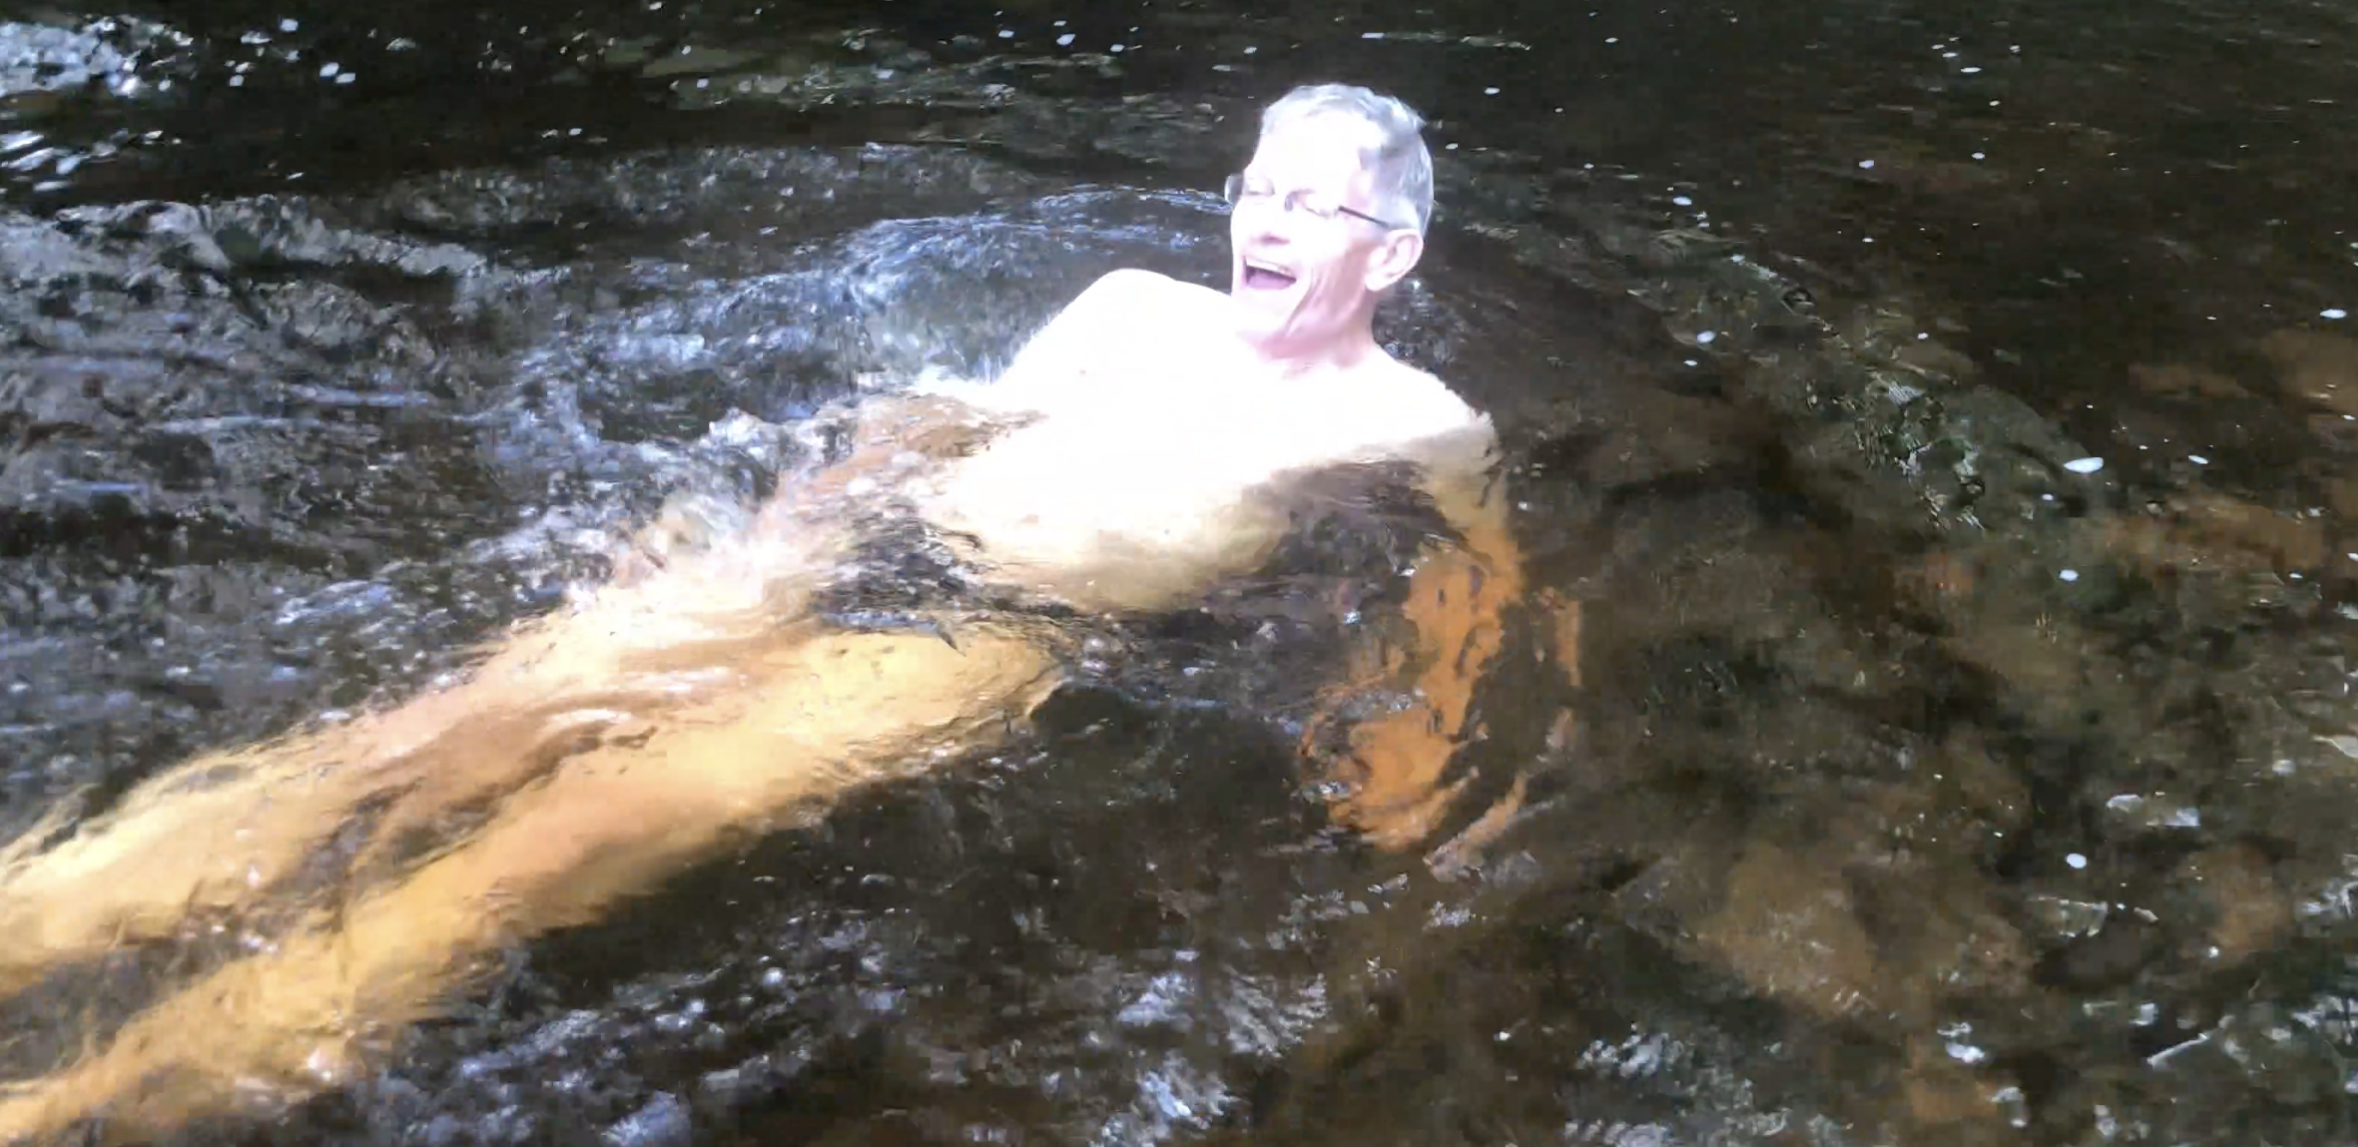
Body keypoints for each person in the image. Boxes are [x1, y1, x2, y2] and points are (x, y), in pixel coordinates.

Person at [0, 85, 1575, 1141]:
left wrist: (1429, 737)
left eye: (1317, 203)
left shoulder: (1419, 426)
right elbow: (930, 420)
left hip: (972, 639)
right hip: (837, 562)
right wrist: (779, 533)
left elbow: (1487, 581)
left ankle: (81, 1096)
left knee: (553, 838)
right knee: (406, 740)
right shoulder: (1127, 304)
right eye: (1257, 184)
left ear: (1396, 251)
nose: (1270, 218)